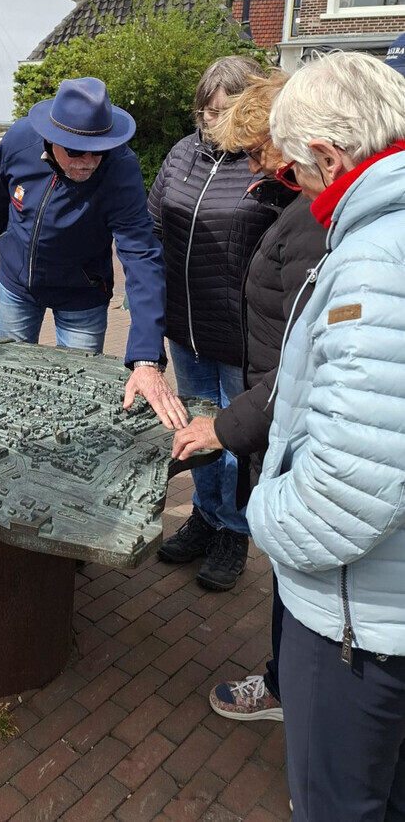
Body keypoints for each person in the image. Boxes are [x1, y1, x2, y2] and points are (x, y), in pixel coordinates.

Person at [247, 52, 405, 820]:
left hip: (360, 623)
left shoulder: (376, 262)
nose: (297, 188)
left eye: (298, 171)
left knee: (339, 804)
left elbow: (346, 490)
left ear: (331, 156)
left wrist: (265, 515)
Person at [170, 71, 326, 722]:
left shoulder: (317, 220)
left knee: (303, 570)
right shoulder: (301, 202)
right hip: (207, 339)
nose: (252, 163)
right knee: (296, 578)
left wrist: (225, 428)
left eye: (258, 149)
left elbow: (302, 364)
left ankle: (299, 696)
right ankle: (288, 680)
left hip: (271, 398)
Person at [0, 76, 187, 430]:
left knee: (75, 395)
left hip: (82, 296)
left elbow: (141, 257)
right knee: (9, 384)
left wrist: (146, 358)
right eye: (75, 151)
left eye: (99, 150)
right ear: (50, 138)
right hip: (16, 286)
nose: (88, 162)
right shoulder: (18, 139)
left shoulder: (120, 169)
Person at [149, 55, 283, 592]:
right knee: (194, 430)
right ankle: (205, 516)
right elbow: (155, 222)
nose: (211, 123)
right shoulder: (183, 153)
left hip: (239, 331)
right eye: (205, 112)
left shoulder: (264, 164)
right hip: (187, 326)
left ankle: (234, 530)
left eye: (224, 112)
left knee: (234, 435)